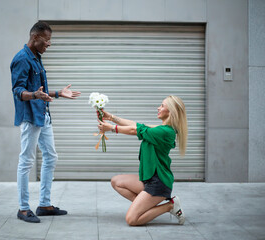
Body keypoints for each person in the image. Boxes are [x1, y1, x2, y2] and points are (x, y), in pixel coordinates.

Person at [10, 21, 81, 223]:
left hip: (43, 115)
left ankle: (44, 204)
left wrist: (57, 93)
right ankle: (23, 209)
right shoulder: (22, 59)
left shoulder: (36, 58)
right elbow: (18, 91)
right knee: (26, 161)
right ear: (35, 37)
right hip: (30, 117)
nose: (49, 44)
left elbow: (38, 92)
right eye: (46, 40)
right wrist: (35, 95)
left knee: (50, 156)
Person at [97, 95, 188, 226]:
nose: (158, 107)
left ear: (171, 111)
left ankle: (170, 206)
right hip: (150, 179)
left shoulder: (165, 132)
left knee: (131, 220)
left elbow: (134, 130)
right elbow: (136, 125)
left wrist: (111, 128)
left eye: (162, 105)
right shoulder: (159, 129)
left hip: (159, 184)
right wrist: (111, 117)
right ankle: (146, 208)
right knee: (116, 181)